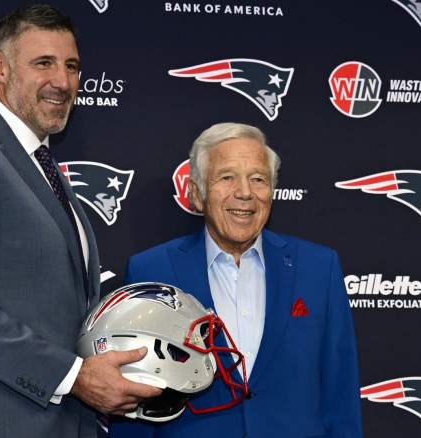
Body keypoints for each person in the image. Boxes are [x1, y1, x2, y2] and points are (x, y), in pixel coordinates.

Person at [0, 5, 160, 438]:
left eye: (72, 66)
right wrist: (75, 377)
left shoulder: (43, 165)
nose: (62, 81)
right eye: (44, 63)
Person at [109, 123, 362, 437]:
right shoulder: (151, 269)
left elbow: (341, 391)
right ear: (196, 193)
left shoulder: (319, 268)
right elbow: (134, 398)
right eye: (226, 177)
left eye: (258, 179)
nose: (244, 192)